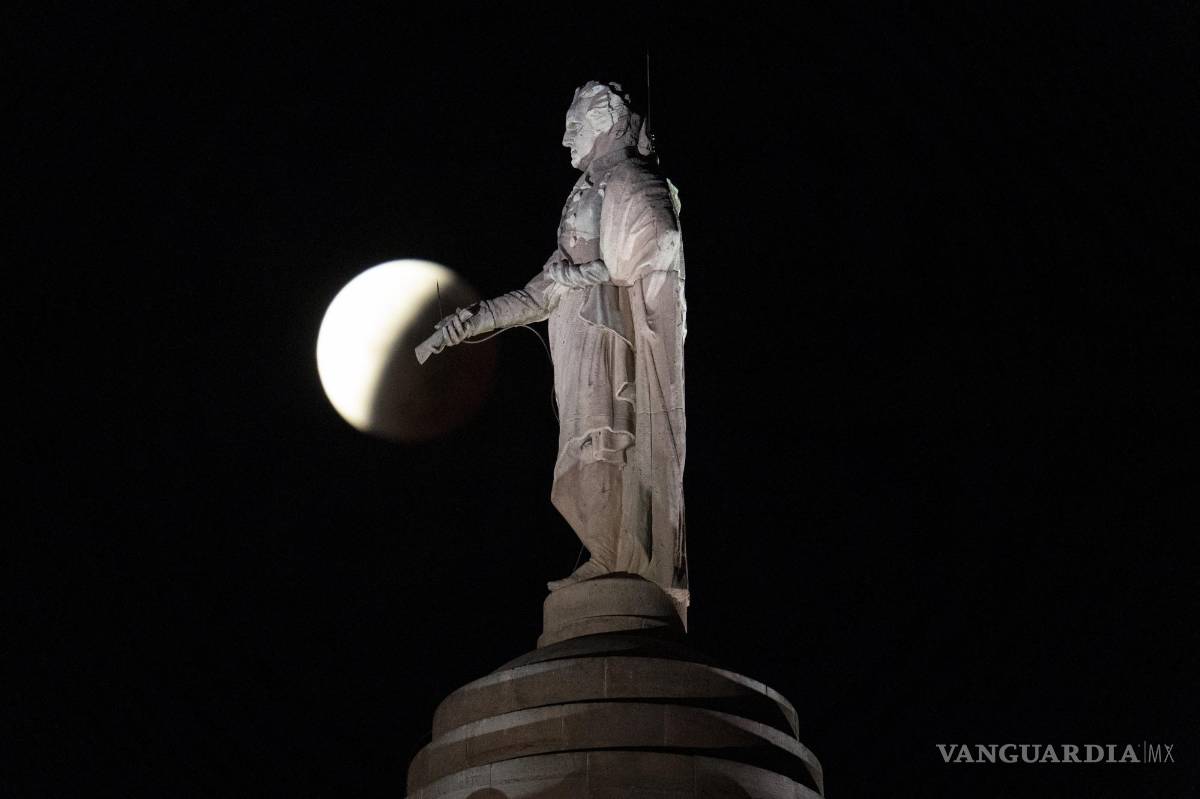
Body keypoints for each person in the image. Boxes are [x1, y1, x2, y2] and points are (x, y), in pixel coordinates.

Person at [421, 81, 688, 615]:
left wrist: (581, 274)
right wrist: (471, 321)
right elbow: (538, 292)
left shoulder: (632, 179)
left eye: (574, 125)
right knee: (583, 447)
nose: (565, 139)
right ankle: (607, 554)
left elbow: (656, 247)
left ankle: (617, 557)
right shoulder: (589, 191)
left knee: (603, 438)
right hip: (575, 337)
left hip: (607, 334)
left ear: (607, 120)